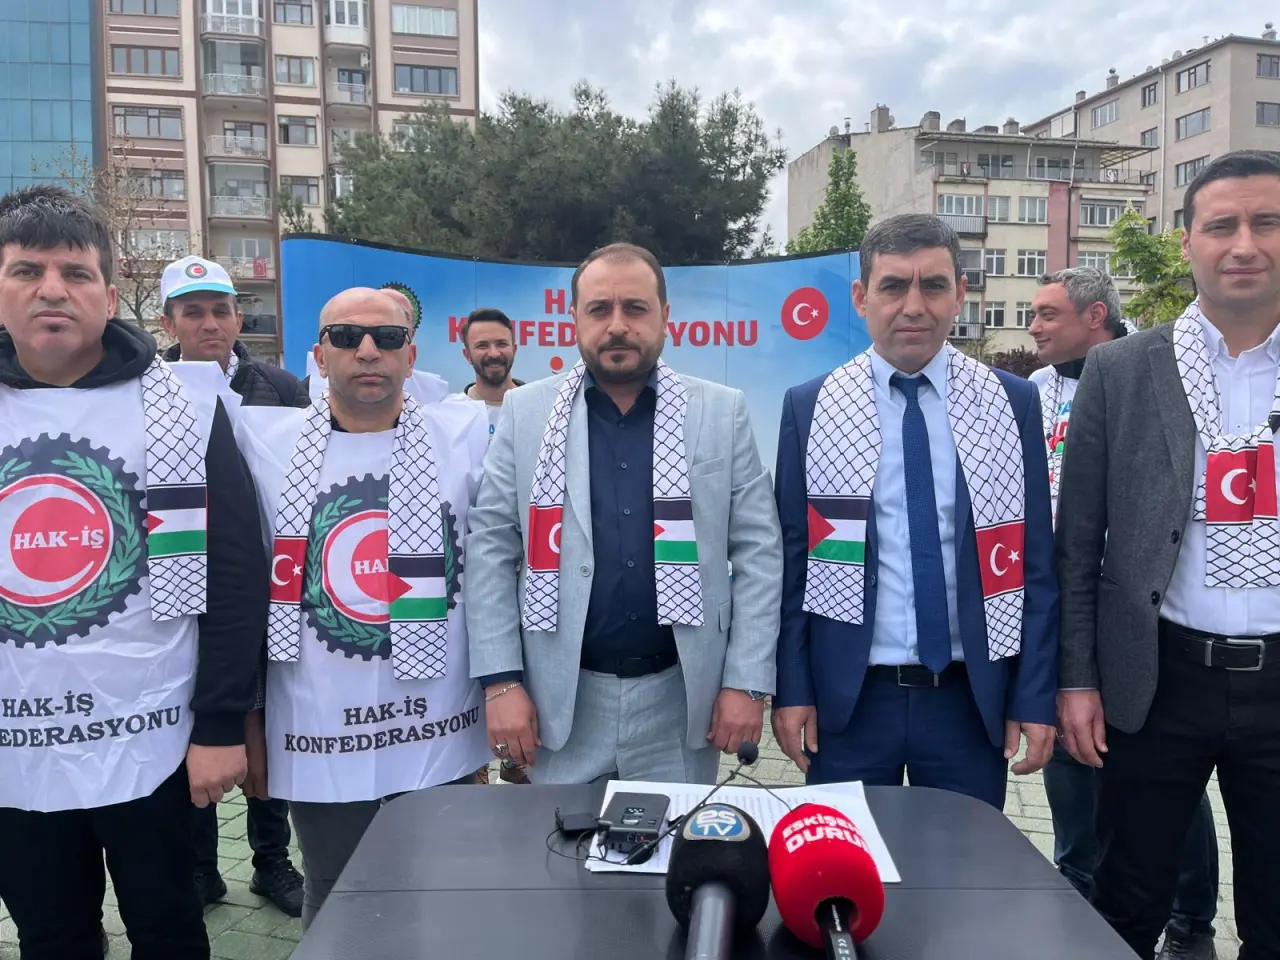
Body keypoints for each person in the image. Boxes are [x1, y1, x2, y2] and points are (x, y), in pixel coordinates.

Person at [0, 186, 268, 959]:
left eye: (76, 273)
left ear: (111, 296)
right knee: (51, 937)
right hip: (16, 750)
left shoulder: (185, 408)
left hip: (154, 742)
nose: (53, 290)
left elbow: (236, 575)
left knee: (170, 931)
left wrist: (219, 725)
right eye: (28, 271)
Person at [1058, 148, 1280, 960]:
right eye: (1222, 226)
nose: (1244, 244)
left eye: (1267, 222)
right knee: (1128, 902)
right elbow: (1078, 542)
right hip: (1159, 678)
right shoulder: (1121, 369)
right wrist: (1077, 679)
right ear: (1187, 243)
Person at [465, 241, 782, 785]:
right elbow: (491, 547)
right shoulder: (526, 412)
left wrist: (746, 681)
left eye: (635, 308)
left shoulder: (720, 411)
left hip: (681, 703)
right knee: (555, 842)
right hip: (560, 702)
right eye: (599, 309)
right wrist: (501, 681)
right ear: (574, 318)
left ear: (665, 315)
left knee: (674, 843)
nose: (617, 326)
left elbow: (759, 552)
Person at [771, 213, 1058, 810]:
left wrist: (1032, 696)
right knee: (844, 863)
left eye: (933, 285)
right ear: (861, 297)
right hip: (850, 702)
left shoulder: (1012, 402)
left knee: (962, 863)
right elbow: (794, 563)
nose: (913, 306)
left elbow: (1034, 564)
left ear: (959, 293)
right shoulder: (812, 405)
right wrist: (792, 689)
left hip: (967, 699)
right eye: (894, 286)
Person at [234, 286, 490, 929]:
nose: (368, 351)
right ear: (320, 356)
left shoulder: (467, 437)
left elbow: (495, 574)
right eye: (347, 337)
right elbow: (245, 591)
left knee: (442, 887)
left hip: (440, 722)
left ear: (412, 355)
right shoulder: (263, 444)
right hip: (316, 727)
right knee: (335, 890)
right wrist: (249, 718)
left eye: (387, 338)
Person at [1031, 267, 1218, 960]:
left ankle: (1191, 917)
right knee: (1071, 759)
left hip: (1148, 615)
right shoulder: (1034, 390)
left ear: (1095, 316)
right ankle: (1076, 888)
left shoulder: (1160, 374)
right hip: (1066, 599)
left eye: (1047, 314)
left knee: (1166, 778)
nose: (1033, 328)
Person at [158, 255, 307, 917]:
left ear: (238, 318)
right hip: (189, 584)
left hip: (274, 583)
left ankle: (272, 863)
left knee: (268, 729)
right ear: (169, 323)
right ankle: (201, 869)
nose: (209, 323)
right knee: (195, 728)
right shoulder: (152, 390)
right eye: (193, 312)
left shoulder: (278, 385)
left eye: (220, 310)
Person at [459, 307, 525, 440]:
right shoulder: (454, 414)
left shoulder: (539, 408)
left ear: (514, 350)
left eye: (502, 344)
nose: (494, 354)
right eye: (482, 346)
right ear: (467, 355)